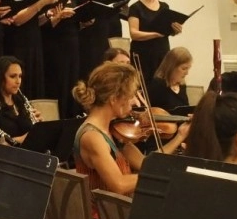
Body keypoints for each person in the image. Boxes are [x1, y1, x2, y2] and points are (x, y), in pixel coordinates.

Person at [71, 62, 188, 195]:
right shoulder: (92, 137)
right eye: (131, 96)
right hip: (104, 213)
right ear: (114, 99)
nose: (134, 101)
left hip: (121, 208)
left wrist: (180, 135)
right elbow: (119, 185)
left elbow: (145, 164)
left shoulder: (114, 130)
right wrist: (166, 177)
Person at [0, 0, 62, 99]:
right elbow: (17, 19)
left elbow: (35, 20)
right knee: (20, 87)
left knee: (35, 87)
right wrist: (42, 3)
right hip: (17, 44)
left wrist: (49, 14)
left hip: (34, 41)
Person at [40, 0, 79, 118]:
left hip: (71, 43)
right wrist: (57, 17)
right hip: (55, 45)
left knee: (72, 84)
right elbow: (42, 25)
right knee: (59, 86)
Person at [128, 0, 181, 84]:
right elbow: (134, 34)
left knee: (162, 85)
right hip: (143, 55)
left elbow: (167, 31)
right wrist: (155, 34)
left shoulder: (164, 7)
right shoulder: (135, 8)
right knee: (144, 86)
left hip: (162, 52)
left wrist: (175, 30)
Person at [0, 56, 40, 144]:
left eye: (20, 76)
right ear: (0, 78)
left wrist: (39, 127)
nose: (18, 81)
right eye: (13, 76)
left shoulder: (21, 101)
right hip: (6, 156)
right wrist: (19, 140)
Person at [147, 46, 192, 112]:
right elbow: (153, 112)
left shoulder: (182, 86)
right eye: (184, 69)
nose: (187, 73)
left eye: (188, 69)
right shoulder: (158, 85)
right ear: (172, 67)